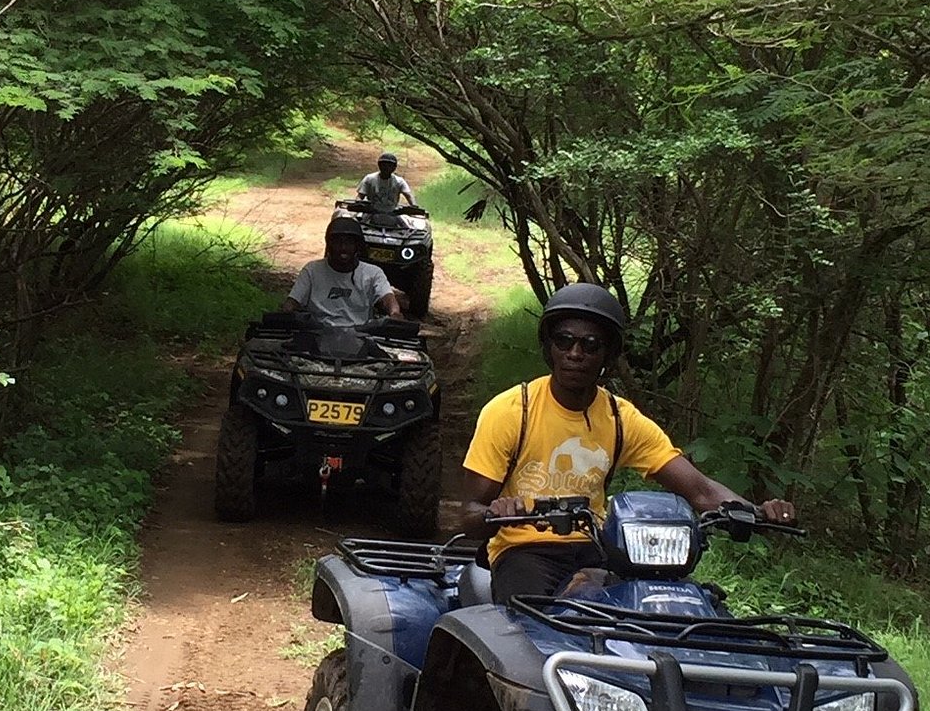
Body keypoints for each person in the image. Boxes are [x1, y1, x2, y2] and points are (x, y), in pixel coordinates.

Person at [459, 282, 796, 603]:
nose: (575, 353)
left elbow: (700, 490)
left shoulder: (620, 419)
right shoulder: (511, 411)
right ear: (549, 347)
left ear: (608, 353)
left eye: (590, 344)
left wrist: (756, 513)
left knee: (660, 609)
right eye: (564, 341)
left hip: (598, 548)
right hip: (524, 549)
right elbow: (469, 513)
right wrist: (496, 512)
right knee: (529, 632)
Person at [283, 216, 404, 326]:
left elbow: (387, 297)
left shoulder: (372, 273)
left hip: (360, 335)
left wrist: (394, 313)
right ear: (329, 244)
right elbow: (293, 301)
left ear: (357, 246)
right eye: (338, 242)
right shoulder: (312, 270)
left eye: (349, 242)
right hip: (317, 334)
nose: (343, 248)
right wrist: (287, 312)